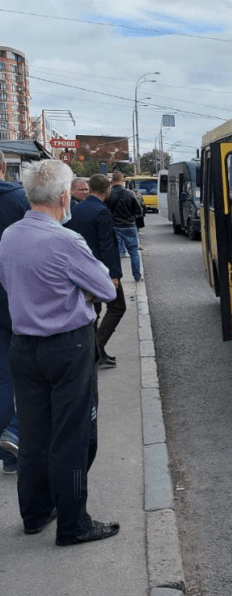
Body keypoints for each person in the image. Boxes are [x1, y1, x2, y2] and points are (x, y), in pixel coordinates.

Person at [0, 159, 120, 545]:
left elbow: (9, 282)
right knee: (73, 434)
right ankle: (74, 522)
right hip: (67, 346)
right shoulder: (66, 241)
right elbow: (107, 289)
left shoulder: (10, 236)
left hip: (24, 346)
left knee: (34, 433)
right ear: (65, 197)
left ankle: (35, 513)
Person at [66, 174, 125, 369]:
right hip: (100, 270)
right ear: (108, 189)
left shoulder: (77, 208)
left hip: (81, 268)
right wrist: (114, 275)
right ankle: (96, 348)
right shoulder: (101, 211)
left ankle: (93, 352)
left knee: (93, 311)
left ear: (90, 188)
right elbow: (107, 245)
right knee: (117, 307)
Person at [0, 149, 29, 476]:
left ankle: (9, 455)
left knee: (3, 377)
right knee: (34, 372)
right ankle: (17, 435)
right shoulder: (18, 200)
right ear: (5, 167)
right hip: (19, 298)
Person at [106, 171, 143, 281]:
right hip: (129, 226)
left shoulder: (108, 194)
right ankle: (137, 276)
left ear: (112, 181)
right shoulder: (130, 193)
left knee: (115, 254)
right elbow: (138, 210)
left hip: (115, 226)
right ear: (122, 181)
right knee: (134, 252)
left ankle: (116, 277)